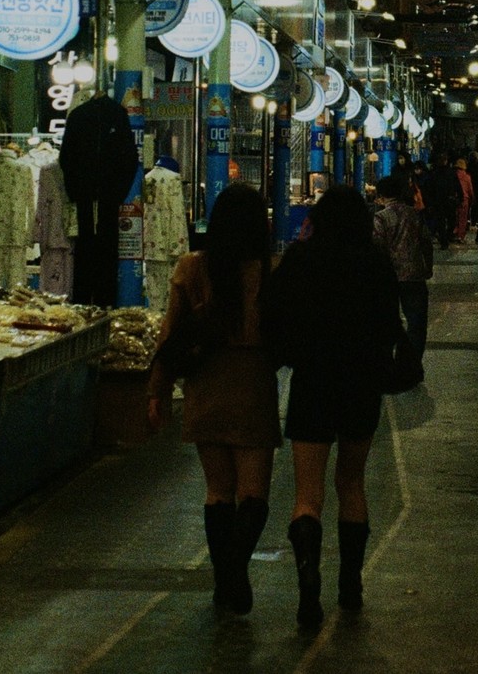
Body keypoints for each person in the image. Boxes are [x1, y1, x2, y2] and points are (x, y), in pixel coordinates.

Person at [261, 186, 403, 629]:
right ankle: (350, 584)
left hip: (313, 381)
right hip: (361, 384)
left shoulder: (301, 260)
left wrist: (288, 352)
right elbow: (388, 324)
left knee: (307, 494)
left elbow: (271, 314)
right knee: (352, 481)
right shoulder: (376, 263)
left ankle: (308, 583)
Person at [148, 183, 278, 615]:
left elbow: (170, 336)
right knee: (254, 494)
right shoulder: (269, 270)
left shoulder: (191, 268)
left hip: (206, 386)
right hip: (254, 384)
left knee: (218, 491)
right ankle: (233, 574)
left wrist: (159, 392)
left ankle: (227, 581)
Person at [373, 172, 432, 363]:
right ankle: (411, 365)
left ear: (381, 196)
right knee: (416, 323)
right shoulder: (414, 214)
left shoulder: (380, 218)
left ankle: (386, 364)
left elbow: (376, 247)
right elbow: (426, 242)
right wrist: (428, 267)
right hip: (414, 275)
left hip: (388, 277)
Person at [452, 153, 476, 245]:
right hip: (464, 199)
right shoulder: (467, 177)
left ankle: (454, 233)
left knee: (455, 217)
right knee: (463, 219)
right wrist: (473, 198)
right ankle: (460, 236)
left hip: (454, 199)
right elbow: (470, 189)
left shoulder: (453, 175)